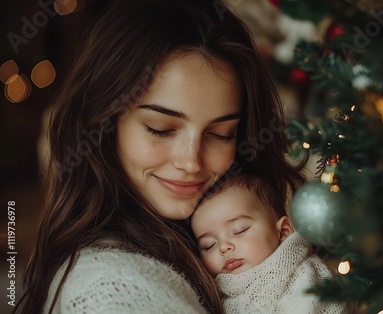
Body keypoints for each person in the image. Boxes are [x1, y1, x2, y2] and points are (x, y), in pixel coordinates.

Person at [16, 0, 305, 313]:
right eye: (160, 128)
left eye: (221, 134)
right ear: (105, 125)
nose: (191, 162)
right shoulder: (110, 290)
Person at [190, 174, 347, 314]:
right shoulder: (215, 301)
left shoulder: (308, 274)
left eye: (239, 230)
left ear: (283, 232)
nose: (224, 248)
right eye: (208, 245)